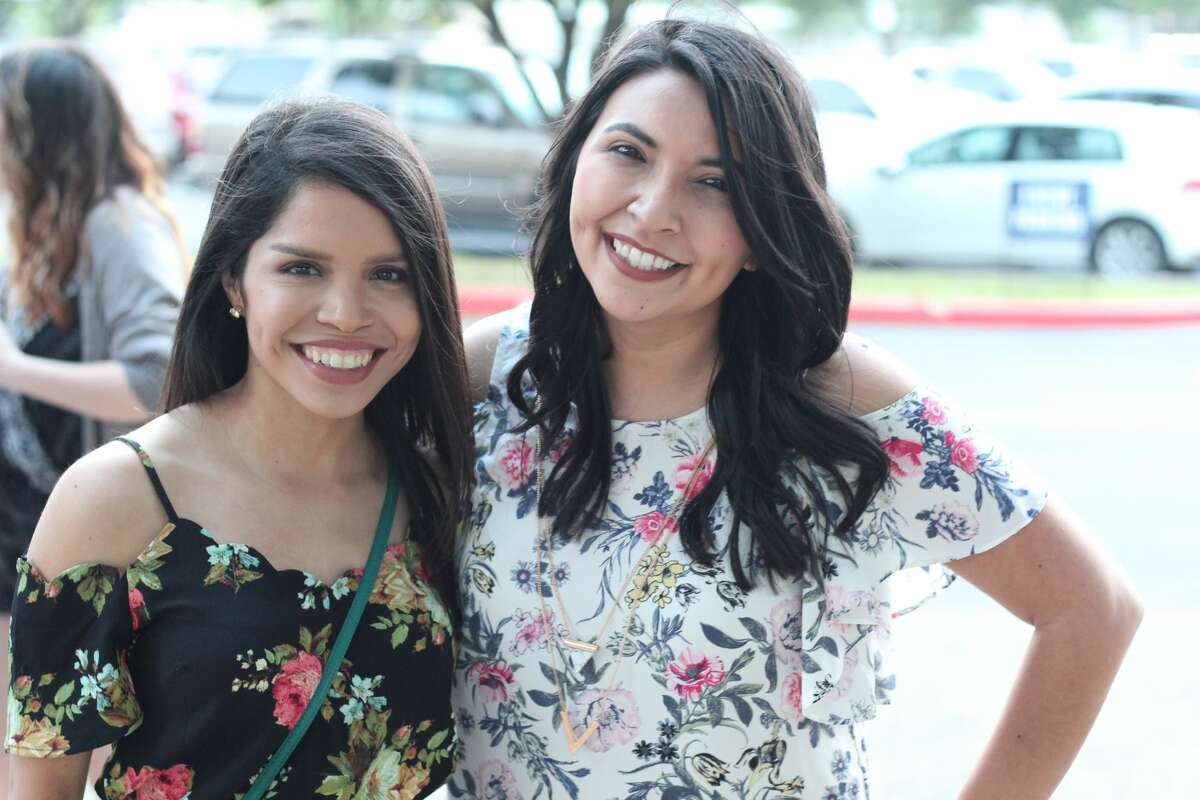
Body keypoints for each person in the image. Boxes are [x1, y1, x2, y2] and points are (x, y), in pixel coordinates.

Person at [450, 19, 1142, 800]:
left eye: (714, 183)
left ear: (762, 227)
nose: (653, 210)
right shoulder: (486, 378)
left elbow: (1094, 609)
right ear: (577, 157)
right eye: (628, 152)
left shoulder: (843, 401)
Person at [5, 98, 471, 799]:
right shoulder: (116, 495)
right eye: (303, 268)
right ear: (233, 280)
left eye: (389, 274)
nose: (346, 313)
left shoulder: (435, 489)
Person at [0, 42, 185, 793]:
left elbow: (156, 376)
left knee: (63, 756)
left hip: (87, 541)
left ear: (38, 131)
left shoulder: (119, 222)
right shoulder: (55, 224)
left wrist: (12, 368)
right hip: (26, 525)